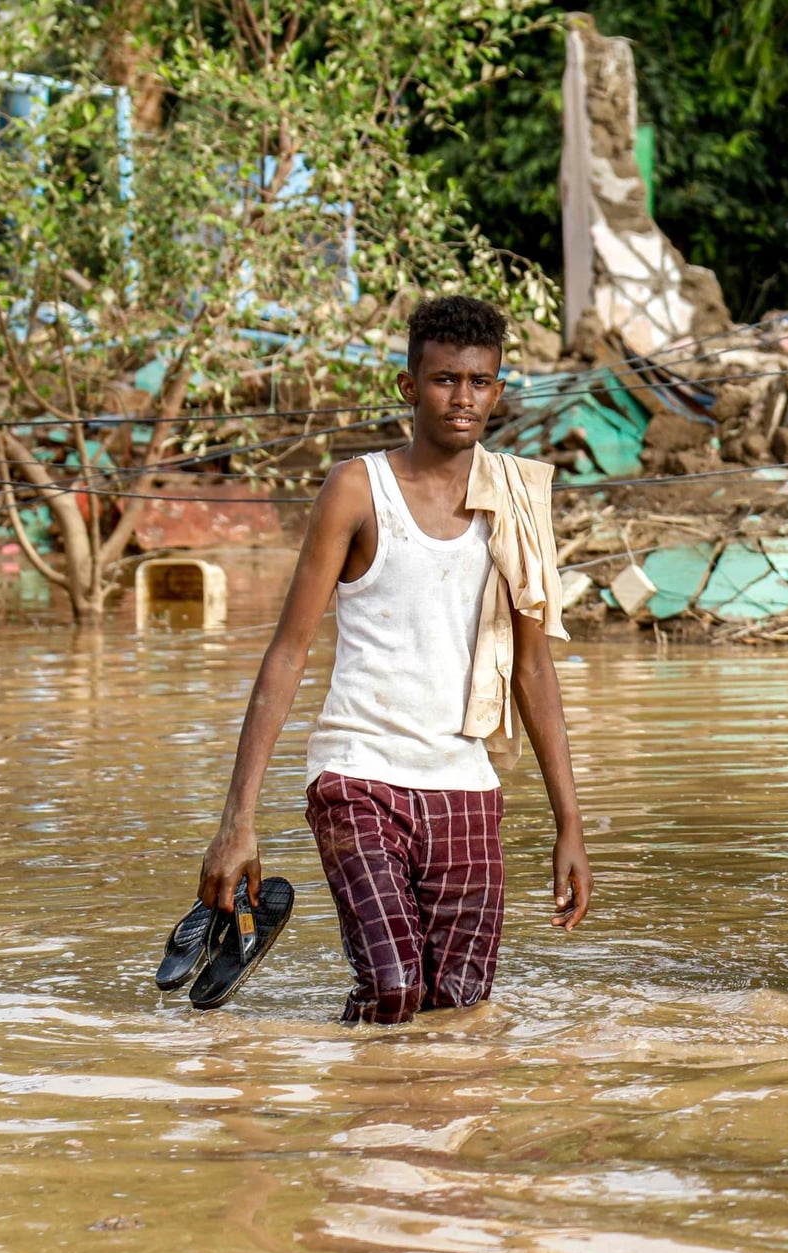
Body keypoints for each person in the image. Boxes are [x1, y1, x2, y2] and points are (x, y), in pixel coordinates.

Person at [197, 295, 593, 1023]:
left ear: (498, 391)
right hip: (359, 775)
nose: (462, 397)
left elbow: (535, 668)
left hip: (465, 784)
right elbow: (288, 651)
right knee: (394, 987)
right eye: (445, 380)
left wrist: (571, 821)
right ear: (409, 387)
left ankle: (419, 1131)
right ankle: (363, 1126)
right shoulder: (357, 489)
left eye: (479, 381)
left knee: (462, 1009)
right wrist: (238, 819)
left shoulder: (516, 500)